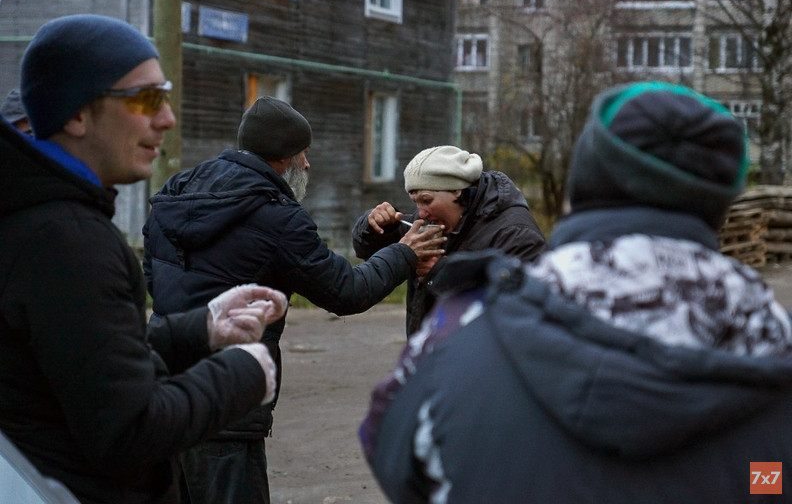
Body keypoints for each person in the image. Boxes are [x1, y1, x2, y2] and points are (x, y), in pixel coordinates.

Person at [359, 82, 792, 503]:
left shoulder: (466, 332)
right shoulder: (773, 346)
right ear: (721, 201)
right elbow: (770, 483)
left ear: (582, 185)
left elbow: (394, 453)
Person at [0, 14, 289, 504]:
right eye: (147, 99)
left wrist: (202, 328)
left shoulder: (42, 216)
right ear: (77, 114)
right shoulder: (64, 240)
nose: (167, 119)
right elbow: (130, 431)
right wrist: (243, 371)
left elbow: (85, 354)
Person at [142, 96, 445, 504]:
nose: (308, 164)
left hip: (162, 390)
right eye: (304, 154)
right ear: (284, 158)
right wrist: (404, 253)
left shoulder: (178, 189)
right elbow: (346, 291)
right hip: (227, 401)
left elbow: (154, 274)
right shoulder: (278, 217)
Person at [352, 145, 547, 336]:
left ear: (456, 190)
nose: (421, 213)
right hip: (433, 351)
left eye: (426, 200)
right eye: (416, 202)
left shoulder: (515, 233)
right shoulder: (429, 222)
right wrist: (375, 226)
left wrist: (442, 274)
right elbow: (367, 251)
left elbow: (523, 309)